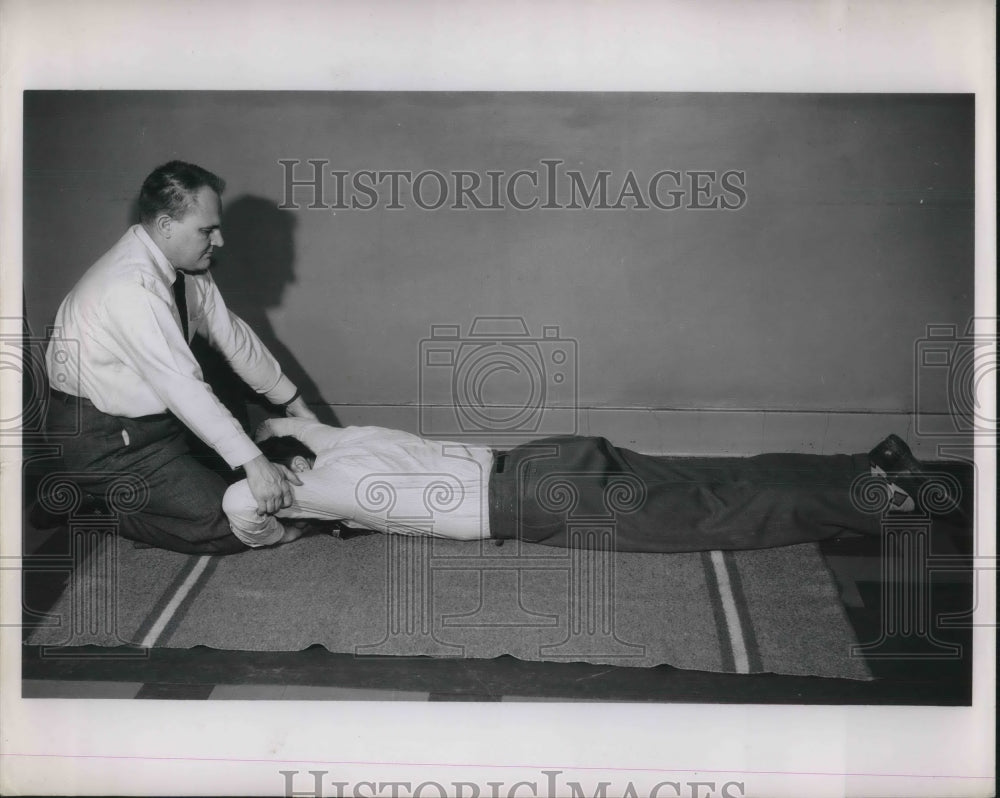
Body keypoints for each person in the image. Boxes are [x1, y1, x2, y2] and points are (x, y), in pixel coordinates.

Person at [44, 161, 318, 554]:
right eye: (207, 230)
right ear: (166, 225)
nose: (219, 241)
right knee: (236, 521)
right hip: (105, 440)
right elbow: (182, 384)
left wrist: (296, 407)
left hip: (159, 426)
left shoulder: (187, 267)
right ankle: (83, 501)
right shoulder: (129, 288)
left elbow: (233, 337)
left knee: (263, 480)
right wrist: (254, 464)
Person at [222, 419, 943, 553]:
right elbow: (295, 422)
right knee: (714, 476)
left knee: (714, 517)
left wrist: (280, 529)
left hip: (534, 502)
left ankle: (883, 501)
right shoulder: (338, 439)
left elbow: (238, 507)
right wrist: (268, 431)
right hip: (544, 457)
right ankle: (871, 464)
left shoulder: (320, 489)